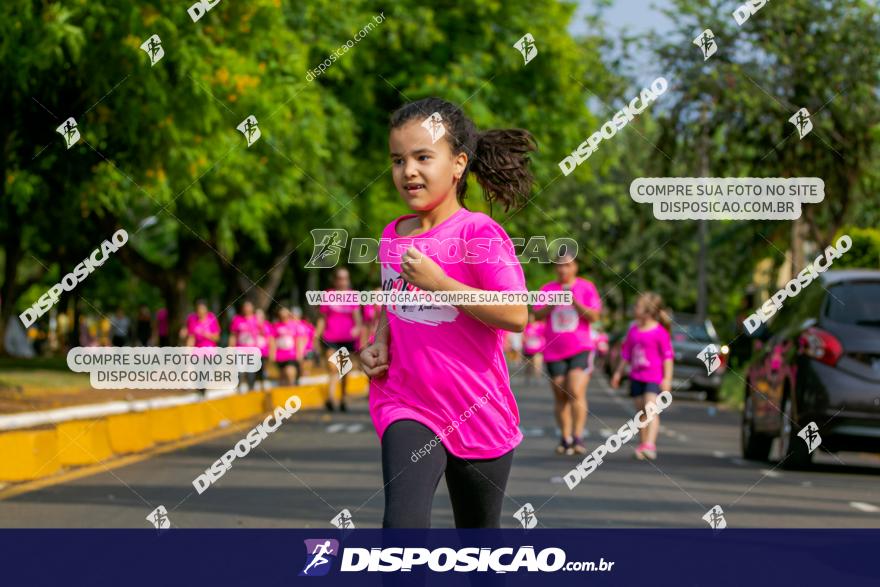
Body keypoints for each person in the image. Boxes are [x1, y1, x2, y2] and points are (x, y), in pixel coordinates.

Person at [359, 97, 535, 528]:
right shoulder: (391, 235)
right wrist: (380, 339)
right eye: (398, 160)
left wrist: (441, 284)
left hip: (476, 407)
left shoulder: (478, 233)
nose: (408, 171)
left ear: (457, 164)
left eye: (423, 157)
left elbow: (516, 315)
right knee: (401, 527)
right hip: (406, 401)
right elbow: (394, 300)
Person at [533, 253, 602, 456]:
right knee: (560, 393)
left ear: (575, 267)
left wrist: (575, 301)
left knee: (575, 390)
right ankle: (565, 438)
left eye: (567, 265)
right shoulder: (547, 289)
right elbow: (536, 315)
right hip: (554, 351)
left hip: (580, 347)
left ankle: (578, 437)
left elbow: (595, 316)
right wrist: (552, 303)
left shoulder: (586, 287)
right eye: (559, 266)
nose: (563, 269)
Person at [610, 292, 674, 461]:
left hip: (653, 377)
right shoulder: (633, 330)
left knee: (651, 408)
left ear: (647, 312)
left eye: (637, 306)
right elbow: (626, 355)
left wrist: (667, 379)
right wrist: (617, 373)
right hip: (636, 376)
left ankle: (650, 445)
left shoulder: (660, 332)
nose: (634, 309)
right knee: (640, 412)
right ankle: (643, 443)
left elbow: (668, 357)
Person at [314, 267, 362, 412]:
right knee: (332, 367)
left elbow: (357, 318)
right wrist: (316, 335)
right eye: (340, 278)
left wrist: (357, 328)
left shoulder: (353, 295)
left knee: (344, 370)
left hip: (347, 338)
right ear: (335, 280)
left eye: (345, 278)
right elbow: (322, 319)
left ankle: (343, 398)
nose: (343, 281)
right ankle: (330, 398)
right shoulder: (328, 295)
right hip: (331, 337)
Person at [229, 301, 264, 392]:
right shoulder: (237, 319)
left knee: (251, 373)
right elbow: (233, 335)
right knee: (239, 371)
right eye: (245, 307)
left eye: (249, 307)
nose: (247, 309)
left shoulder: (257, 319)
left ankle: (250, 390)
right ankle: (238, 390)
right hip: (240, 349)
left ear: (252, 308)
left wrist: (261, 323)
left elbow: (263, 333)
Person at [272, 306, 306, 386]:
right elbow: (273, 341)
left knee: (290, 372)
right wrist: (273, 353)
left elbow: (299, 340)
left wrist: (300, 353)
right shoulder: (276, 326)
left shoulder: (295, 325)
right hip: (280, 355)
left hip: (292, 354)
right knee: (283, 376)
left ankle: (292, 388)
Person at [522, 312, 545, 381]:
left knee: (537, 364)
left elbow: (544, 336)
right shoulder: (526, 327)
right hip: (528, 349)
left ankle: (537, 378)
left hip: (538, 349)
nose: (530, 319)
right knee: (528, 366)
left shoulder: (541, 326)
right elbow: (523, 337)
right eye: (529, 317)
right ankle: (527, 378)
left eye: (531, 317)